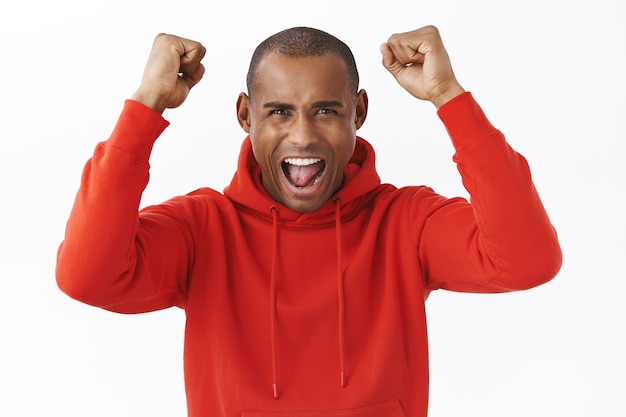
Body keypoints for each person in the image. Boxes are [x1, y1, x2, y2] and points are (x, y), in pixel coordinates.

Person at [56, 25, 562, 417]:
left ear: (357, 112)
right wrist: (146, 107)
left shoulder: (404, 222)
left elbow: (526, 261)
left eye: (324, 110)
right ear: (244, 115)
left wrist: (449, 96)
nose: (302, 136)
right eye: (278, 111)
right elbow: (87, 277)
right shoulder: (204, 227)